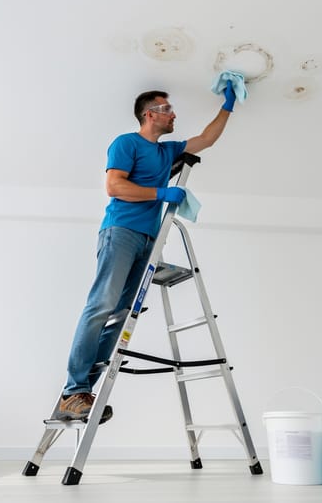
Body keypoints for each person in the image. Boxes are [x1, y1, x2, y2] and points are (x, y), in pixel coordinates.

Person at [56, 82, 238, 422]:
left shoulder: (166, 152)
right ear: (148, 113)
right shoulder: (127, 143)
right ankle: (72, 389)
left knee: (124, 312)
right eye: (167, 109)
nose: (173, 115)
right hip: (121, 231)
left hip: (148, 240)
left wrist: (228, 105)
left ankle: (83, 393)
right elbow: (115, 186)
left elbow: (207, 139)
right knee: (101, 306)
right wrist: (159, 193)